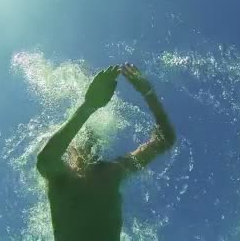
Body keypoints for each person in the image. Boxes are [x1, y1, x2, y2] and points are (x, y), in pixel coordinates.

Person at [36, 63, 177, 241]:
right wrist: (89, 106)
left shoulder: (112, 172)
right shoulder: (61, 181)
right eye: (84, 143)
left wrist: (148, 93)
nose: (89, 148)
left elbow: (165, 140)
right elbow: (46, 159)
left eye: (93, 143)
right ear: (72, 149)